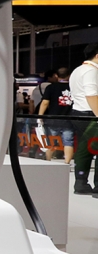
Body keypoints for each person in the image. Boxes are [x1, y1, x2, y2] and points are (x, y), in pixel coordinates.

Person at [69, 43, 98, 195]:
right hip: (91, 114)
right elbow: (91, 94)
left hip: (78, 113)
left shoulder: (78, 70)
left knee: (84, 151)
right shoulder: (91, 71)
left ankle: (80, 183)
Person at [38, 67, 73, 163]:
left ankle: (48, 161)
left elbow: (45, 102)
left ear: (56, 75)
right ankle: (67, 162)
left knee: (51, 141)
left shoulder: (51, 87)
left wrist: (40, 116)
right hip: (69, 118)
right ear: (69, 75)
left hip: (53, 118)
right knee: (68, 141)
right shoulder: (73, 87)